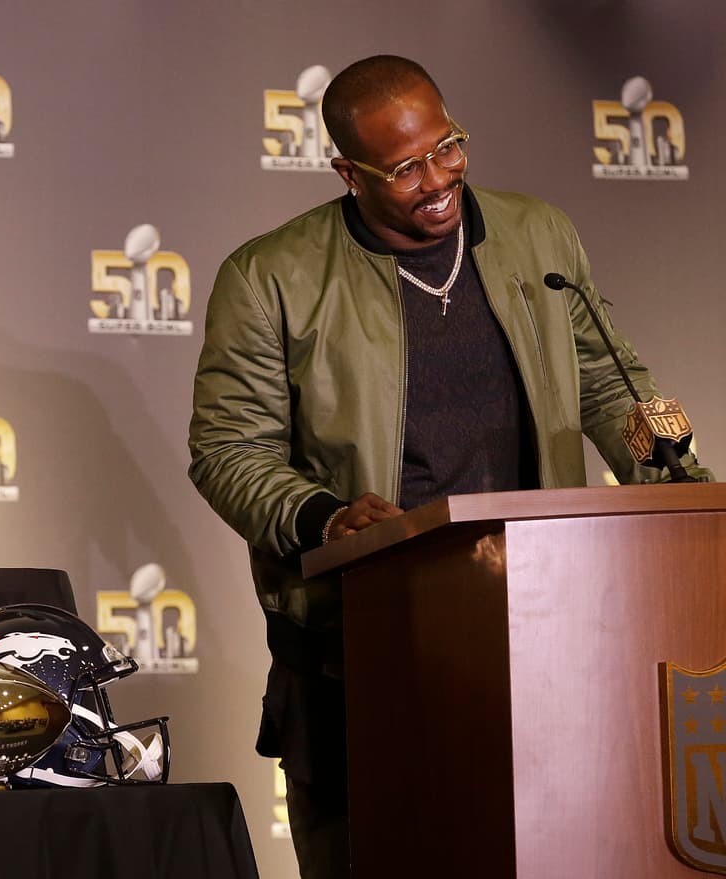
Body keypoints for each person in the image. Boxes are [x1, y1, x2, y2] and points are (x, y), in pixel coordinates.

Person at [187, 55, 708, 879]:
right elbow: (228, 449)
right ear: (348, 174)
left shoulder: (537, 234)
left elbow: (609, 382)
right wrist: (325, 517)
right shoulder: (269, 278)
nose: (438, 179)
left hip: (545, 627)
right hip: (360, 641)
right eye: (405, 168)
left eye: (447, 147)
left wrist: (678, 485)